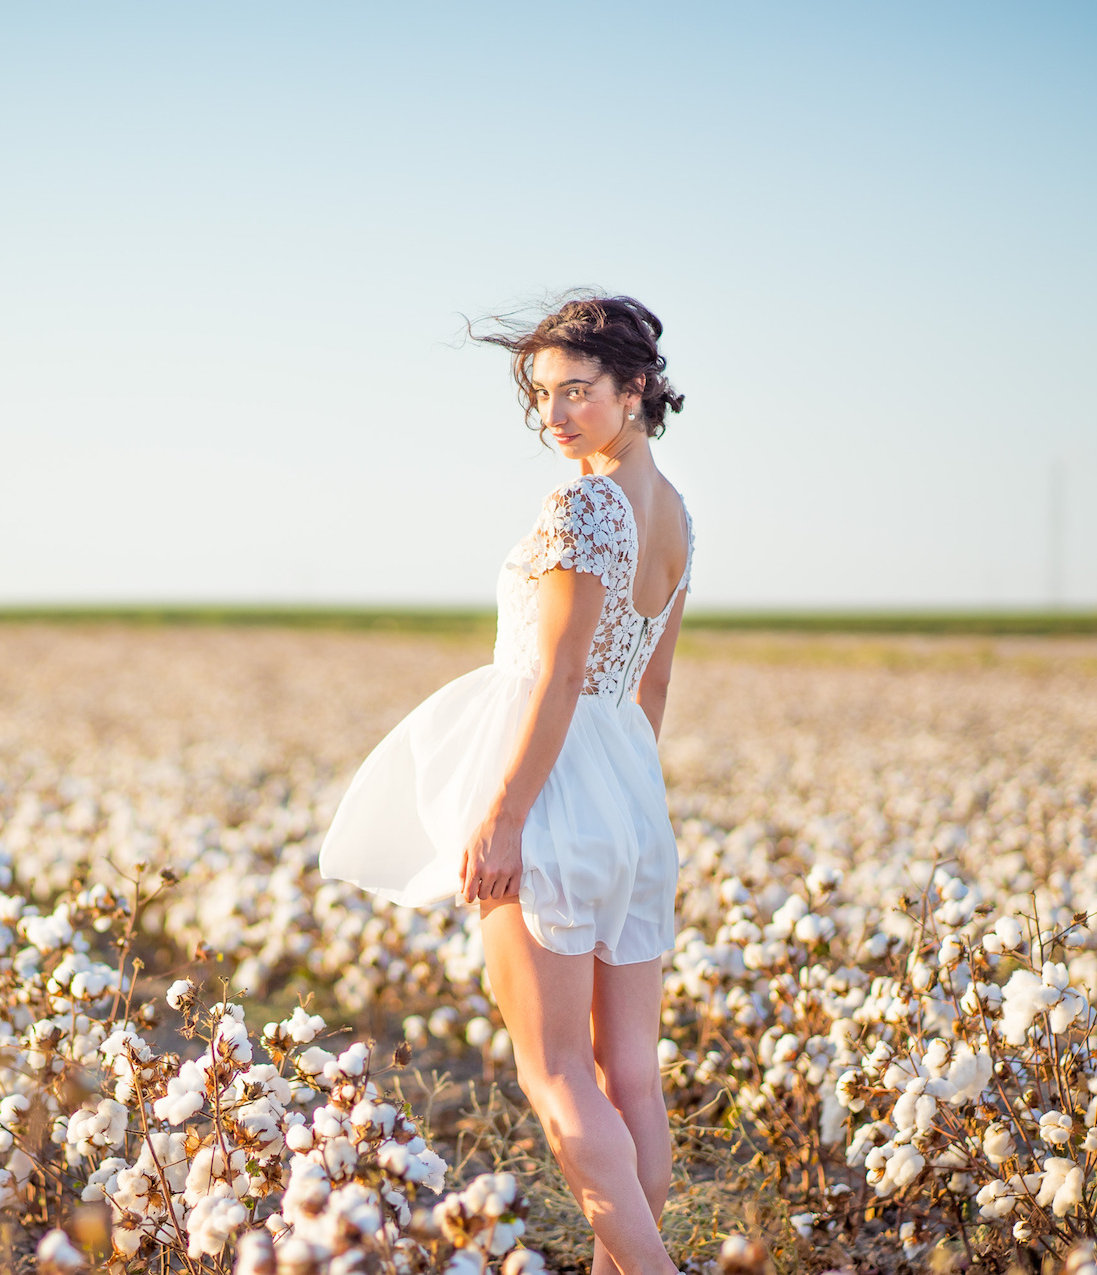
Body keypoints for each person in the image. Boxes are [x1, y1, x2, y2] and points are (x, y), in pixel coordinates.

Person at [320, 293, 692, 1275]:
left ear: (634, 388)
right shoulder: (676, 517)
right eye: (542, 396)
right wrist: (627, 814)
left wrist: (505, 814)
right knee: (632, 1079)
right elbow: (647, 686)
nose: (555, 417)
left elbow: (561, 673)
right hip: (627, 796)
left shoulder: (581, 503)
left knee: (555, 1069)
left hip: (555, 793)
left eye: (577, 391)